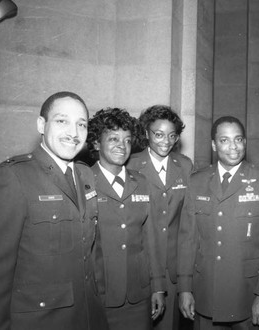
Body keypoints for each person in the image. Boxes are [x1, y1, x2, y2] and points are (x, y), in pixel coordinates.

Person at [0, 92, 109, 330]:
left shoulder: (85, 175)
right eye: (62, 121)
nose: (73, 133)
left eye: (81, 124)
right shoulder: (13, 177)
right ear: (42, 125)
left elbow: (92, 256)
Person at [177, 116, 259, 329]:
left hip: (247, 295)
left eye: (239, 139)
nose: (233, 147)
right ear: (214, 145)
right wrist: (185, 288)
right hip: (206, 294)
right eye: (224, 140)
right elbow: (187, 239)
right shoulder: (197, 181)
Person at [86, 108, 166, 329]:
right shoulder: (83, 182)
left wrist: (157, 286)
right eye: (113, 139)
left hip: (138, 295)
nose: (122, 146)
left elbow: (151, 239)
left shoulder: (142, 182)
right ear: (95, 143)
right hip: (98, 294)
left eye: (128, 140)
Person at [127, 105, 194, 330]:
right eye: (158, 134)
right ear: (146, 133)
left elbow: (189, 217)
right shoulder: (130, 164)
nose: (166, 141)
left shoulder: (184, 165)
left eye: (172, 135)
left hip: (172, 268)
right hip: (140, 265)